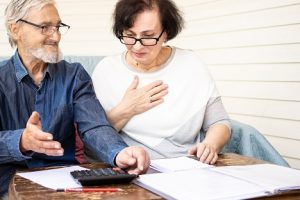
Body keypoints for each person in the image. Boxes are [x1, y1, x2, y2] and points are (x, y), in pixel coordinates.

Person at [0, 0, 150, 197]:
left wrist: (119, 153)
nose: (56, 36)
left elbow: (94, 126)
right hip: (10, 182)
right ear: (15, 29)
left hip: (65, 179)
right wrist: (21, 141)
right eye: (45, 27)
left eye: (58, 26)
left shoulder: (74, 74)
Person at [92, 0, 231, 165]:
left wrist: (210, 145)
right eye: (130, 35)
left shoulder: (192, 64)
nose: (137, 46)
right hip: (130, 170)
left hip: (187, 166)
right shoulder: (107, 70)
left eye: (148, 36)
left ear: (166, 33)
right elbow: (93, 138)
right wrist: (126, 109)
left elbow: (219, 122)